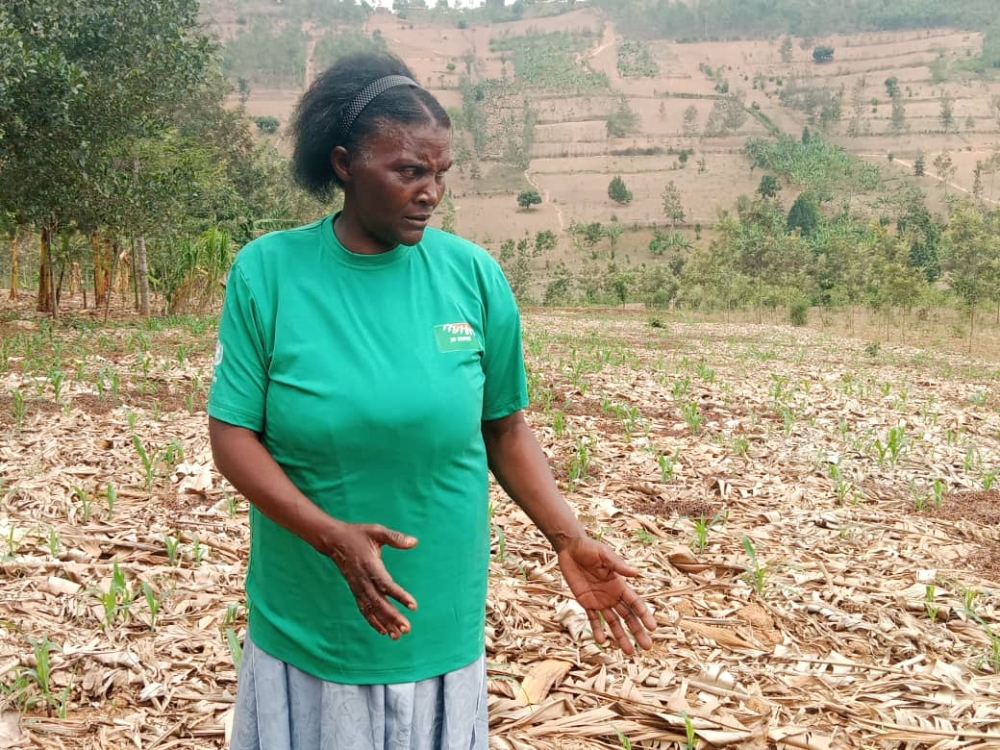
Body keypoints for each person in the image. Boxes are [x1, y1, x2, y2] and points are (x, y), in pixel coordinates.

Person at [207, 51, 657, 750]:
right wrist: (332, 539)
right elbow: (233, 435)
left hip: (440, 615)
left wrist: (567, 537)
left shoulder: (472, 276)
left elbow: (505, 428)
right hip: (309, 614)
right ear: (343, 164)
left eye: (440, 173)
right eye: (409, 171)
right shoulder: (268, 272)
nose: (430, 193)